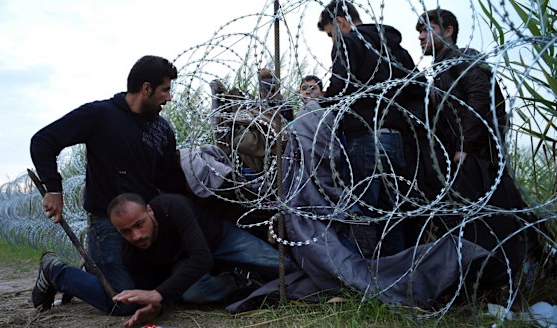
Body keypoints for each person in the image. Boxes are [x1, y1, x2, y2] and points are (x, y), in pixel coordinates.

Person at [29, 55, 187, 315]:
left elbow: (168, 180)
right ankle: (55, 271)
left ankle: (93, 272)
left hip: (148, 226)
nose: (169, 97)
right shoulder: (100, 115)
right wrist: (53, 189)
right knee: (124, 306)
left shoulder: (163, 131)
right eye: (165, 90)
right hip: (108, 226)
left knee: (160, 293)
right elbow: (43, 141)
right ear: (146, 89)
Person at [415, 8, 540, 299]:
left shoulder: (463, 58)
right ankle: (492, 281)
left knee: (497, 216)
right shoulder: (442, 69)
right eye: (418, 31)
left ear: (447, 31)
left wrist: (465, 146)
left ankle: (516, 274)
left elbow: (479, 96)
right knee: (485, 218)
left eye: (427, 28)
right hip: (470, 156)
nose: (420, 36)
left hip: (479, 156)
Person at [317, 0, 421, 256]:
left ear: (340, 22)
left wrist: (319, 108)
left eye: (331, 33)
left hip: (365, 139)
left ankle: (370, 278)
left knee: (364, 214)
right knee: (392, 215)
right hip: (396, 139)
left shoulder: (348, 42)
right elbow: (417, 86)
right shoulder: (394, 47)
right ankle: (400, 277)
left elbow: (340, 86)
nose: (332, 40)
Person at [107, 192, 296, 327]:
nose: (136, 236)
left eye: (139, 224)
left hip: (218, 239)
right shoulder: (131, 253)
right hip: (187, 259)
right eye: (126, 231)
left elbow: (202, 258)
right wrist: (156, 307)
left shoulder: (171, 206)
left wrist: (159, 294)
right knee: (193, 294)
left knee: (286, 266)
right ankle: (240, 282)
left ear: (150, 211)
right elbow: (153, 292)